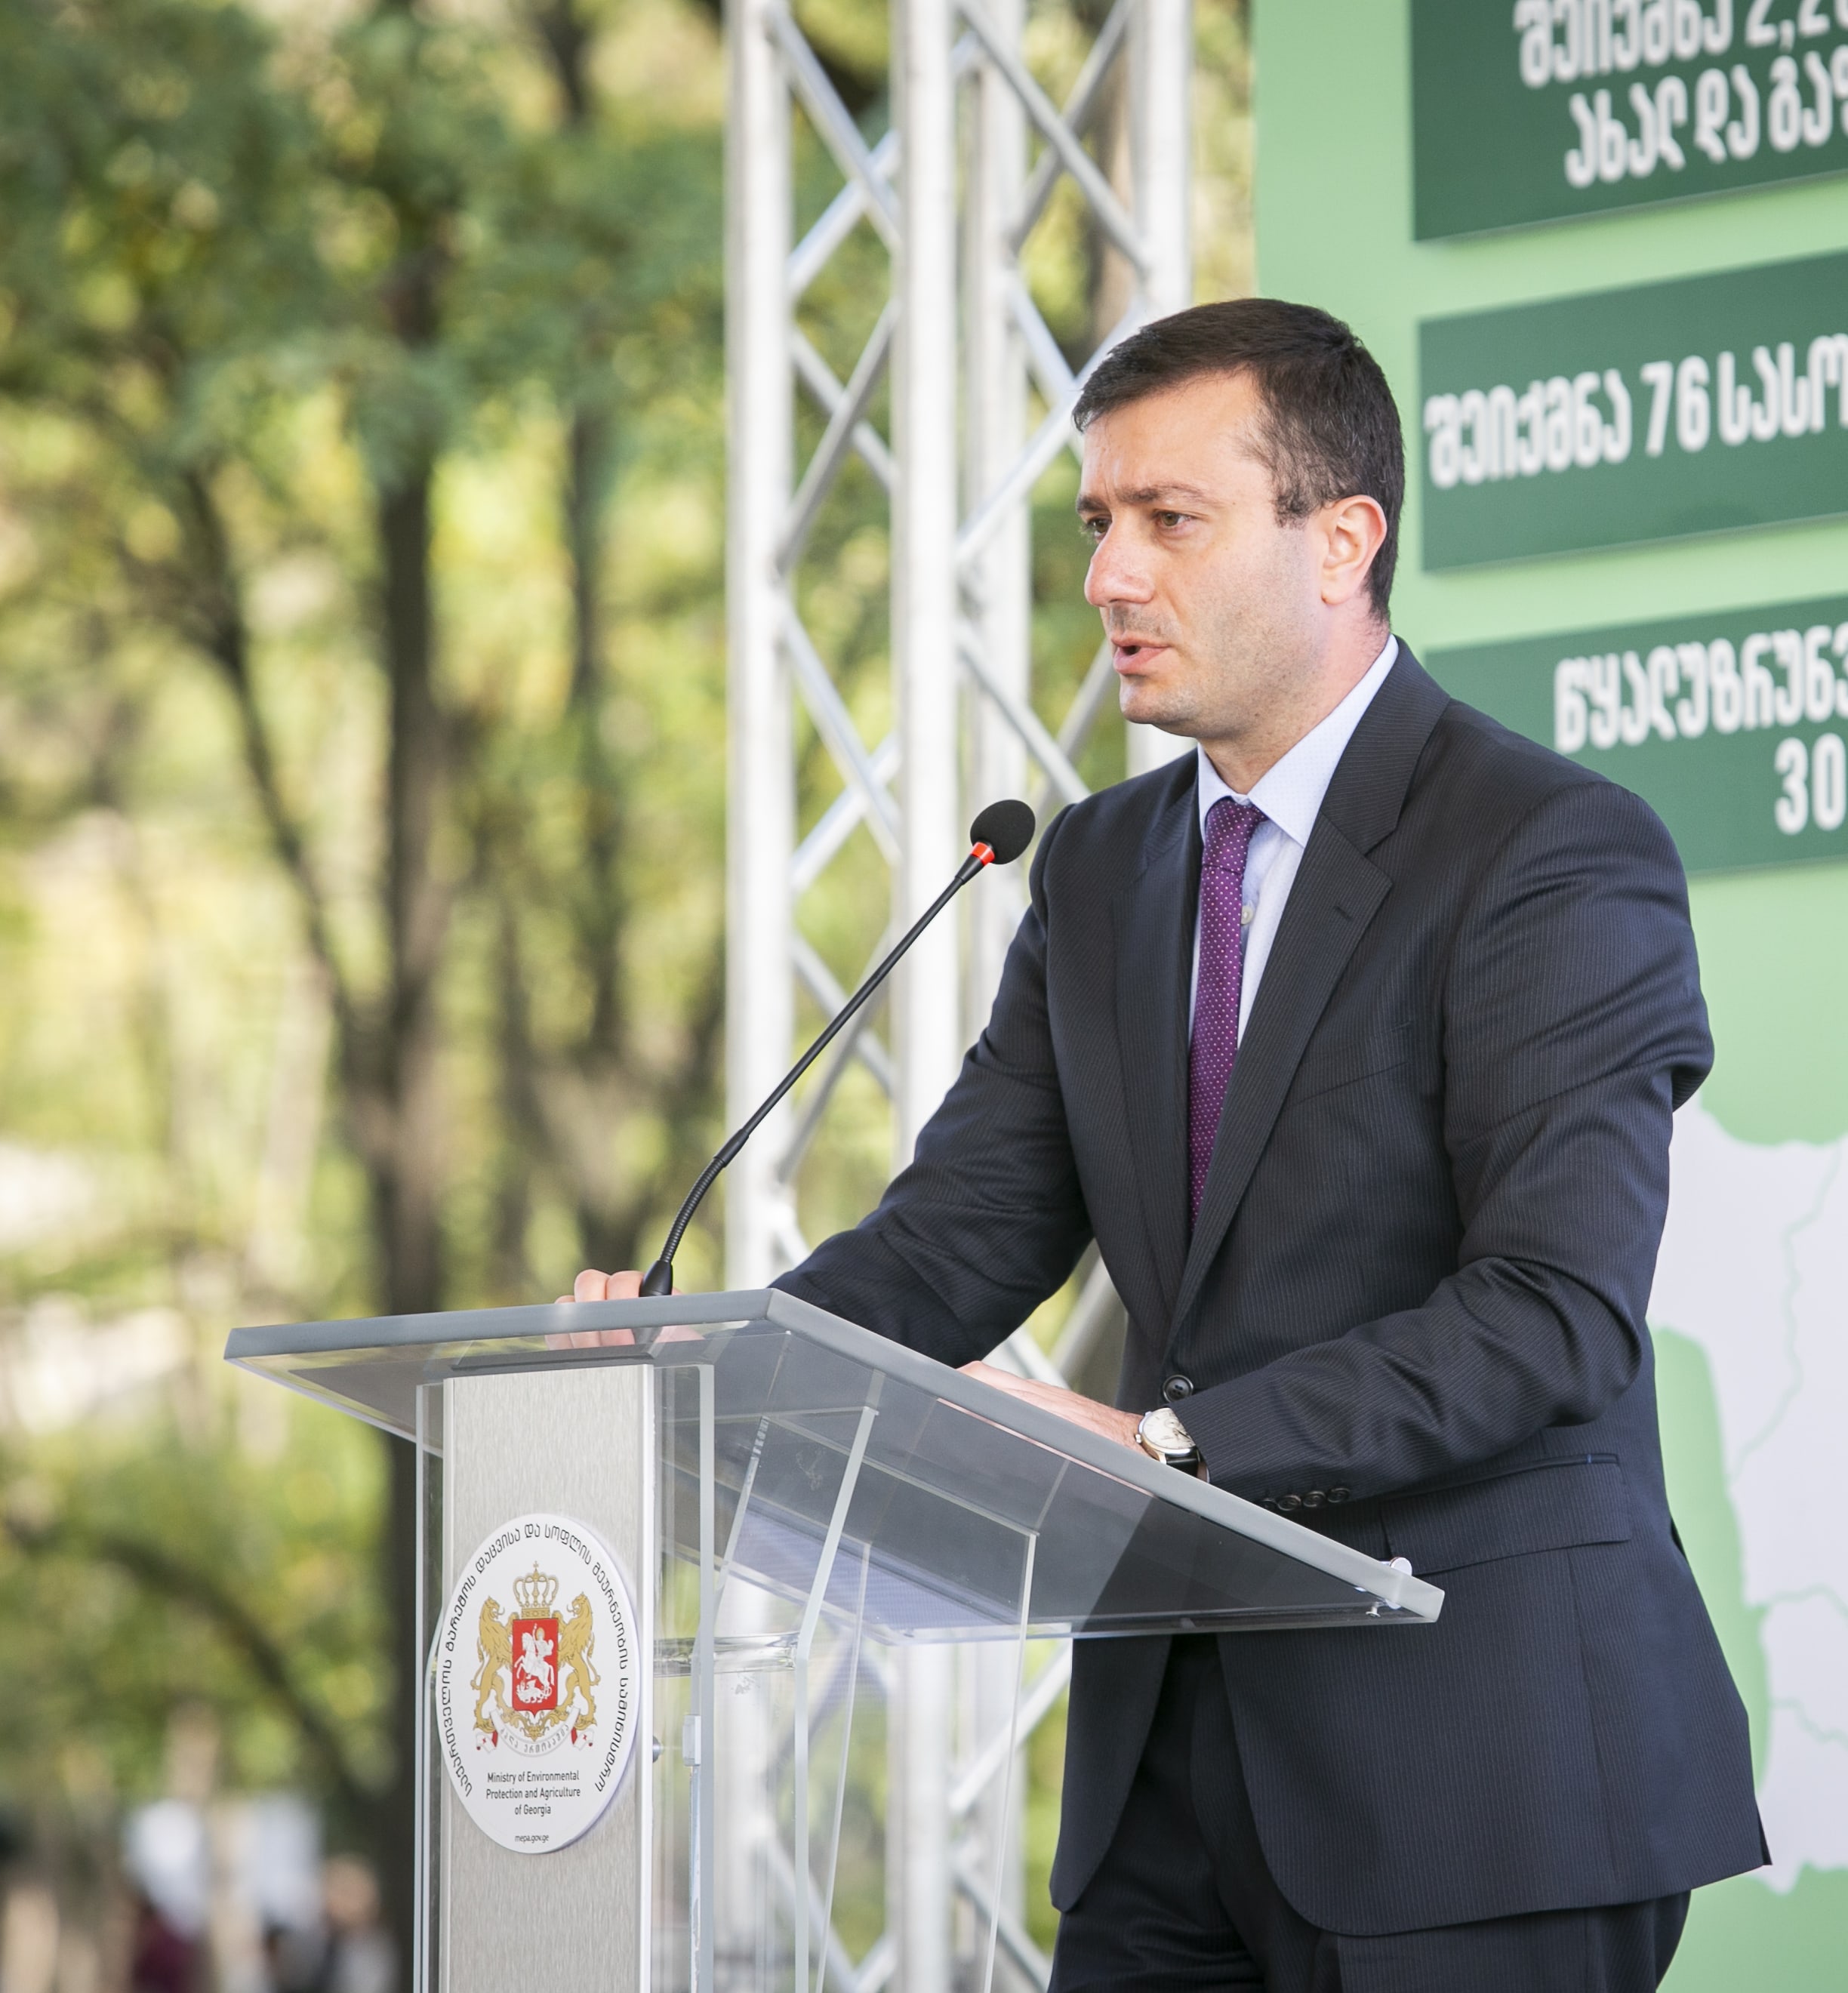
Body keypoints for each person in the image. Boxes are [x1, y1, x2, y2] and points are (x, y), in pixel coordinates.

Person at [571, 297, 1763, 1989]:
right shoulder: (1096, 868)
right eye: (1096, 523)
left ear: (1341, 541)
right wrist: (716, 1355)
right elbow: (958, 1239)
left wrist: (1174, 1446)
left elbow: (1551, 1312)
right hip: (1167, 1782)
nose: (1109, 577)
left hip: (1479, 1772)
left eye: (1170, 521)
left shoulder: (1549, 852)